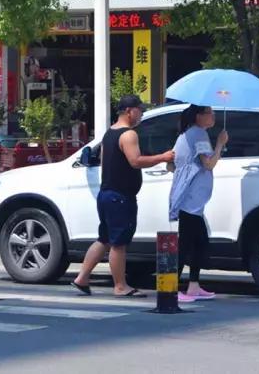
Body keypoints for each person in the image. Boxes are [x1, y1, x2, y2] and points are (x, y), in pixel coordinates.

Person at [72, 95, 174, 297]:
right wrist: (163, 157)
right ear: (129, 111)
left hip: (106, 194)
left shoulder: (109, 133)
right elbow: (135, 161)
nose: (141, 114)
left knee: (104, 239)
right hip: (120, 197)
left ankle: (82, 278)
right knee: (119, 243)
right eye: (139, 110)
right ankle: (120, 286)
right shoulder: (129, 135)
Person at [168, 105, 228, 303]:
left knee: (199, 242)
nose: (213, 116)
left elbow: (171, 164)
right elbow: (209, 164)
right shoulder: (199, 134)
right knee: (186, 244)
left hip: (190, 198)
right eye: (210, 113)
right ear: (199, 116)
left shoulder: (186, 134)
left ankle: (193, 286)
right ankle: (170, 290)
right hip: (191, 199)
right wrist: (220, 144)